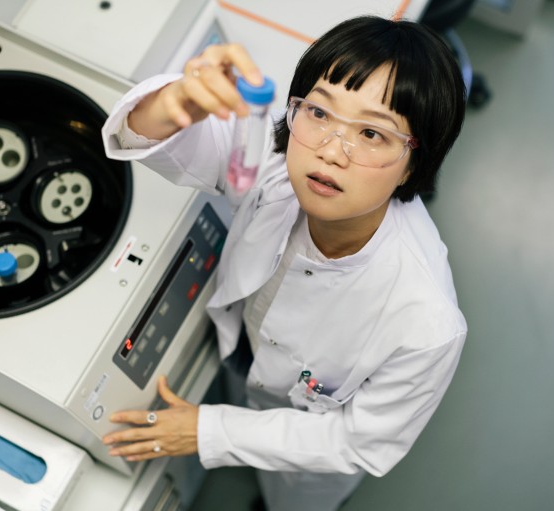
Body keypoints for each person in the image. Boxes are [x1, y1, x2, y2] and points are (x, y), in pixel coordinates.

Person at [100, 15, 467, 511]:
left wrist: (211, 431)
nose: (330, 151)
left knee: (293, 499)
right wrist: (174, 102)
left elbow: (359, 442)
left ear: (414, 164)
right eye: (319, 112)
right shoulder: (274, 165)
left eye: (372, 135)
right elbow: (149, 138)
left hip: (311, 461)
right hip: (247, 359)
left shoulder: (427, 323)